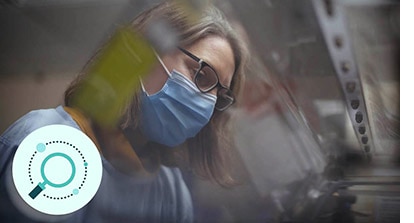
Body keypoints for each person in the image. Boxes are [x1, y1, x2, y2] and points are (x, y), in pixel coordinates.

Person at [0, 1, 248, 222]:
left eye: (220, 94)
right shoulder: (47, 141)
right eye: (201, 74)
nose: (207, 103)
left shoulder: (171, 191)